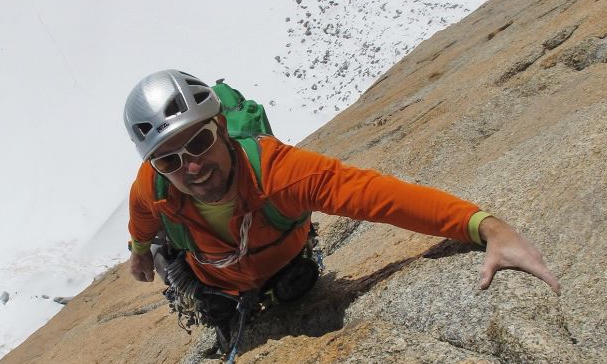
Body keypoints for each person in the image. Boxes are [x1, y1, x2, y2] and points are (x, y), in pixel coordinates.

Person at [124, 70, 559, 347]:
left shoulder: (281, 175)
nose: (192, 166)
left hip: (278, 266)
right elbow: (142, 217)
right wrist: (140, 251)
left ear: (220, 127)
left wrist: (485, 226)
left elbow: (379, 196)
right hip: (213, 279)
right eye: (170, 159)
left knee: (296, 288)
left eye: (198, 143)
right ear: (156, 165)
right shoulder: (153, 186)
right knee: (213, 306)